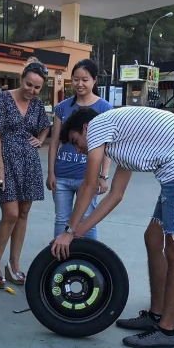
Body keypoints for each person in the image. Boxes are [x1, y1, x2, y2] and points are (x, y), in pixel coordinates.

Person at [51, 106, 174, 348]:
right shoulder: (121, 141)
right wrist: (79, 232)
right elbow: (115, 195)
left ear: (85, 129)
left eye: (76, 141)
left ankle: (167, 331)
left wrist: (69, 230)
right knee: (153, 237)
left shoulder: (97, 126)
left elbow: (89, 184)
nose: (78, 149)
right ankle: (156, 315)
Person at [0, 61, 51, 289]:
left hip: (29, 163)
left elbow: (45, 126)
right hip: (5, 162)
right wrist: (0, 167)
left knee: (23, 214)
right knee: (10, 214)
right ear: (21, 78)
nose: (31, 91)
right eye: (28, 84)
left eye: (36, 88)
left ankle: (14, 265)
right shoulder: (4, 99)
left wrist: (40, 140)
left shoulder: (38, 104)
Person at [46, 59, 112, 240]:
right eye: (76, 79)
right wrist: (51, 172)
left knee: (87, 220)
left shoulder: (104, 108)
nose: (80, 84)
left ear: (94, 80)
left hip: (87, 175)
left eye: (85, 79)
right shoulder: (62, 107)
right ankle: (59, 259)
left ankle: (89, 257)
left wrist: (103, 176)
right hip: (62, 176)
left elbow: (108, 146)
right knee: (62, 220)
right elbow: (55, 142)